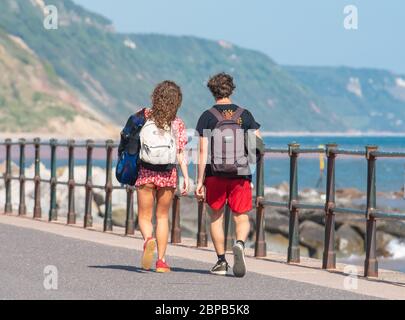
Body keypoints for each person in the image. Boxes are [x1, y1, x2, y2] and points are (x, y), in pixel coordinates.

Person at [195, 73, 262, 277]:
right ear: (231, 89)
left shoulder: (207, 116)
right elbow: (257, 145)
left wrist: (199, 181)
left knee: (216, 217)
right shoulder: (245, 114)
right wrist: (248, 164)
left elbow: (202, 152)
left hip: (214, 174)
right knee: (241, 217)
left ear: (212, 91)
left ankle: (221, 262)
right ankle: (240, 244)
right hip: (240, 173)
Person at [136, 81, 189, 273]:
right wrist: (186, 177)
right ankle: (161, 261)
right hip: (167, 173)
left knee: (144, 216)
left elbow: (130, 138)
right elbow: (181, 152)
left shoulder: (144, 115)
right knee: (162, 216)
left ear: (155, 97)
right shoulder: (178, 123)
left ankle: (148, 240)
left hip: (146, 172)